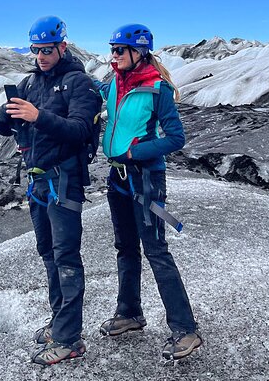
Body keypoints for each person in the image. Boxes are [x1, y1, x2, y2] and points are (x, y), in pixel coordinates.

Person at [0, 15, 101, 365]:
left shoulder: (78, 83)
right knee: (49, 253)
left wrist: (38, 116)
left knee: (66, 256)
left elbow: (80, 130)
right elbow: (6, 126)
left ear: (62, 47)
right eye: (36, 49)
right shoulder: (30, 82)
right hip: (38, 181)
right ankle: (59, 323)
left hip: (64, 180)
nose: (40, 56)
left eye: (47, 50)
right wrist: (2, 115)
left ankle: (70, 339)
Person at [97, 23, 202, 360]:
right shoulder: (113, 84)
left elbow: (176, 138)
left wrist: (134, 152)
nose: (113, 56)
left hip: (145, 180)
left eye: (119, 50)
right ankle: (130, 314)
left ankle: (186, 330)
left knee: (156, 250)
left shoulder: (157, 90)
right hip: (118, 179)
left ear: (138, 52)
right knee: (126, 247)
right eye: (112, 49)